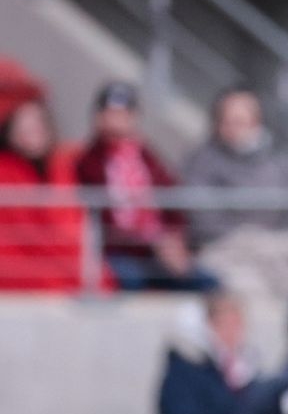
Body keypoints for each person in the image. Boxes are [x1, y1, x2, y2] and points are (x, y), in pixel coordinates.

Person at [181, 86, 288, 300]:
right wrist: (249, 238)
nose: (233, 129)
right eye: (226, 121)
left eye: (241, 122)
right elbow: (202, 217)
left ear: (257, 122)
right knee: (247, 294)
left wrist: (274, 241)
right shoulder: (202, 161)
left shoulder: (281, 160)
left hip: (280, 249)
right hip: (226, 251)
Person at [72, 81, 206, 291]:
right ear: (98, 117)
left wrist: (174, 239)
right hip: (119, 249)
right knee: (130, 278)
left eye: (124, 113)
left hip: (158, 248)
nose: (117, 120)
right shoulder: (88, 160)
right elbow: (100, 218)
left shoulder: (145, 155)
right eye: (111, 113)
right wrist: (152, 242)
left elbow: (171, 199)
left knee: (206, 281)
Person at [0, 99, 91, 291]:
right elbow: (20, 232)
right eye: (23, 127)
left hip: (61, 257)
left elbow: (70, 222)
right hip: (20, 263)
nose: (31, 133)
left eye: (36, 125)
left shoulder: (61, 168)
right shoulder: (6, 171)